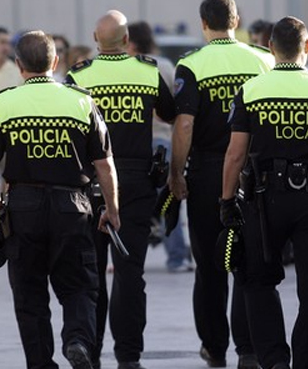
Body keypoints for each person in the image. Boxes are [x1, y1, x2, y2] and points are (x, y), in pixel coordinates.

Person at [221, 16, 308, 369]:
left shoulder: (252, 91)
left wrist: (226, 203)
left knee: (257, 281)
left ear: (270, 49)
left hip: (265, 200)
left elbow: (236, 154)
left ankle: (273, 360)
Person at [1, 30, 119, 369]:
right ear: (55, 62)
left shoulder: (4, 103)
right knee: (79, 285)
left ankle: (40, 363)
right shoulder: (81, 101)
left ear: (19, 64)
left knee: (29, 294)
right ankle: (79, 341)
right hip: (73, 207)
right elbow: (105, 165)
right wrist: (112, 211)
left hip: (22, 207)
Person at [66, 10, 176, 369]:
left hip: (91, 186)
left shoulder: (79, 77)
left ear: (97, 42)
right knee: (130, 272)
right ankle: (128, 356)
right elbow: (169, 114)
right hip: (136, 182)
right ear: (127, 41)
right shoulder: (147, 72)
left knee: (91, 272)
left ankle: (91, 352)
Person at [169, 0, 274, 367]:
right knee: (249, 262)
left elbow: (184, 125)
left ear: (203, 23)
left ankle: (215, 348)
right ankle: (247, 348)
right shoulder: (264, 59)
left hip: (209, 172)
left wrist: (175, 173)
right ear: (237, 21)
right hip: (255, 172)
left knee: (210, 266)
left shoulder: (193, 64)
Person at [126, 20, 192, 273]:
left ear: (130, 43)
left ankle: (129, 255)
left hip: (134, 143)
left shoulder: (131, 68)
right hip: (163, 140)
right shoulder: (163, 65)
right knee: (168, 200)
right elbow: (178, 107)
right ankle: (177, 257)